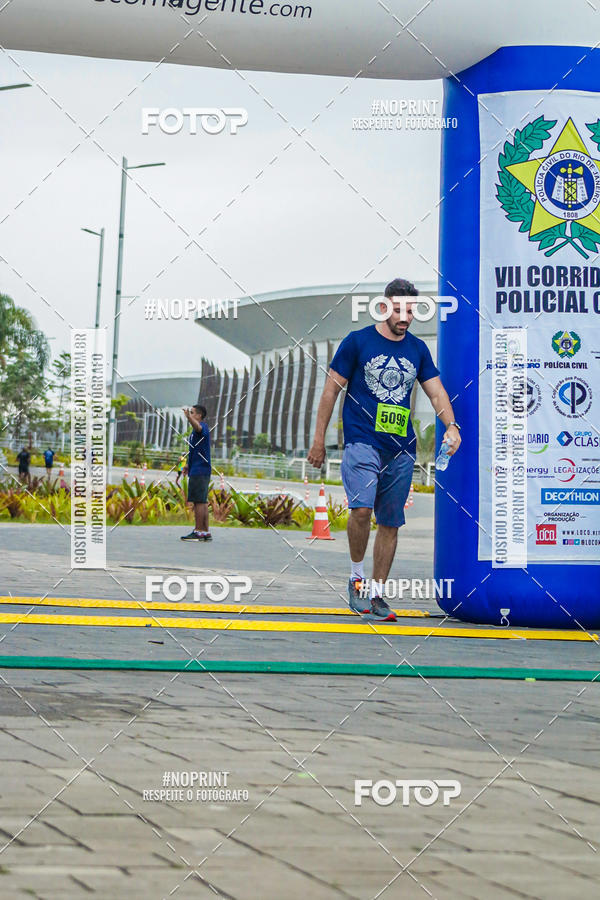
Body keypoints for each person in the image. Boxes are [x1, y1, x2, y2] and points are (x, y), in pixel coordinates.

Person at [307, 277, 462, 621]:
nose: (404, 317)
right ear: (384, 307)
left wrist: (452, 425)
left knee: (390, 522)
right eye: (398, 309)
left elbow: (436, 392)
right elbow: (331, 391)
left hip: (401, 448)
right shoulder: (357, 341)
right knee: (362, 510)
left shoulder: (418, 350)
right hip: (362, 440)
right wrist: (318, 441)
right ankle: (356, 579)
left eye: (411, 311)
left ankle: (377, 594)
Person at [180, 404, 212, 542]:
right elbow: (194, 450)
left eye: (192, 412)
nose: (190, 414)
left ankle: (198, 531)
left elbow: (197, 427)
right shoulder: (196, 432)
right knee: (202, 501)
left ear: (199, 415)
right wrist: (188, 464)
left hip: (200, 470)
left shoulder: (201, 427)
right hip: (198, 468)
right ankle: (205, 532)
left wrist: (188, 418)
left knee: (198, 501)